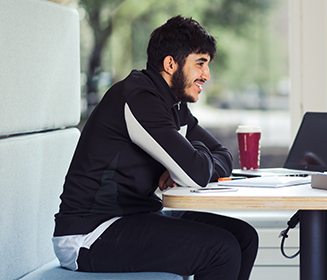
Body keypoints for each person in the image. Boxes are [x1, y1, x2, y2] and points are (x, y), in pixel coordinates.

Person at [52, 16, 258, 280]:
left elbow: (223, 157)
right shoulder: (138, 97)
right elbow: (196, 173)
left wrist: (189, 159)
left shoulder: (174, 104)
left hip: (137, 216)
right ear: (170, 63)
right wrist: (188, 161)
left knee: (244, 237)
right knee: (222, 249)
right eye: (200, 64)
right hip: (89, 233)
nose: (206, 75)